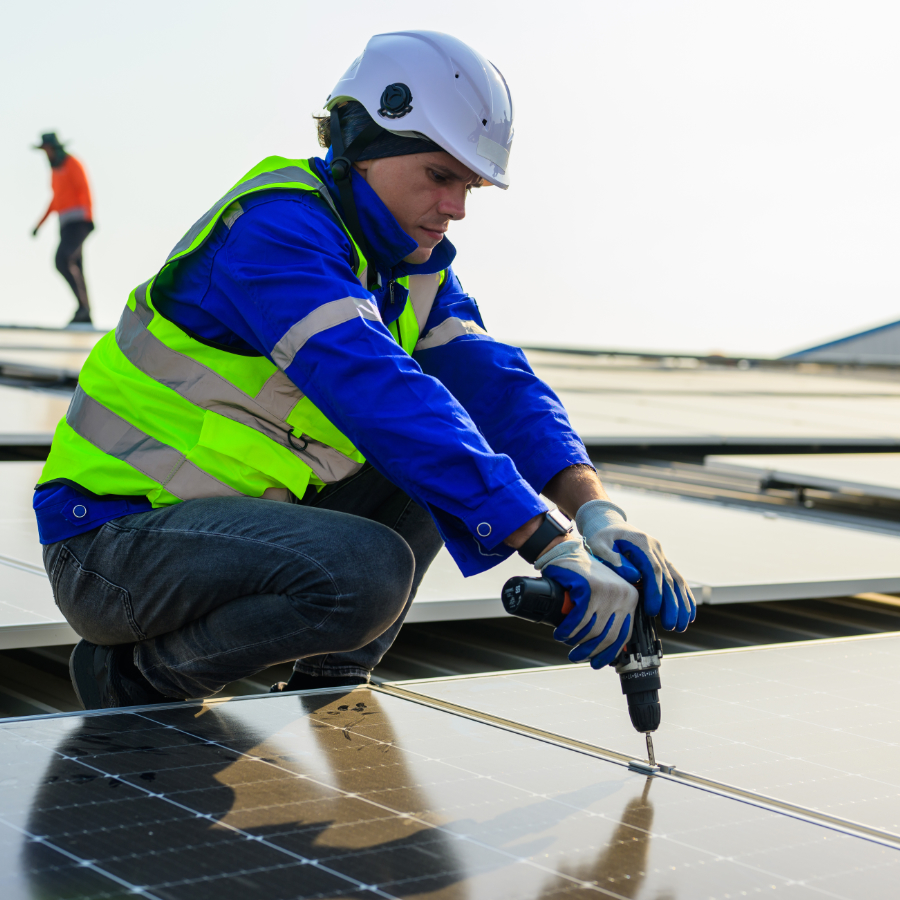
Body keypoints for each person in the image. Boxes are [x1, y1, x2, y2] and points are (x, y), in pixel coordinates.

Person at [33, 31, 696, 710]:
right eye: (440, 176)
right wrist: (546, 542)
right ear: (365, 149)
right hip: (113, 546)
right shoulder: (275, 231)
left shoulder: (412, 270)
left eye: (468, 185)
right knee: (368, 567)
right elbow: (376, 388)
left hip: (226, 529)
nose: (457, 207)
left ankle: (333, 675)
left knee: (452, 445)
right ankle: (141, 678)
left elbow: (498, 388)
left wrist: (596, 512)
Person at [31, 132, 95, 327]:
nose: (46, 154)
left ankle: (83, 307)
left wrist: (87, 220)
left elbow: (84, 190)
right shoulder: (55, 171)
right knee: (76, 265)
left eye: (48, 150)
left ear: (56, 148)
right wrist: (39, 224)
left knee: (63, 259)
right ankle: (85, 312)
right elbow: (56, 200)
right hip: (65, 223)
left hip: (79, 222)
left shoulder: (72, 164)